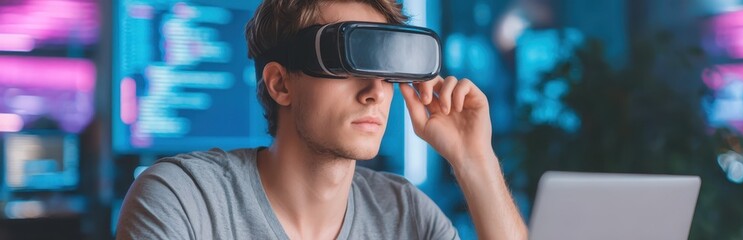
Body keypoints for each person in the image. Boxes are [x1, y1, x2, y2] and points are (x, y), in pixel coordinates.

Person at [116, 0, 527, 239]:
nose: (374, 92)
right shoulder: (186, 200)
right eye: (345, 67)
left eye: (385, 72)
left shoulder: (404, 214)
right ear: (280, 84)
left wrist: (475, 160)